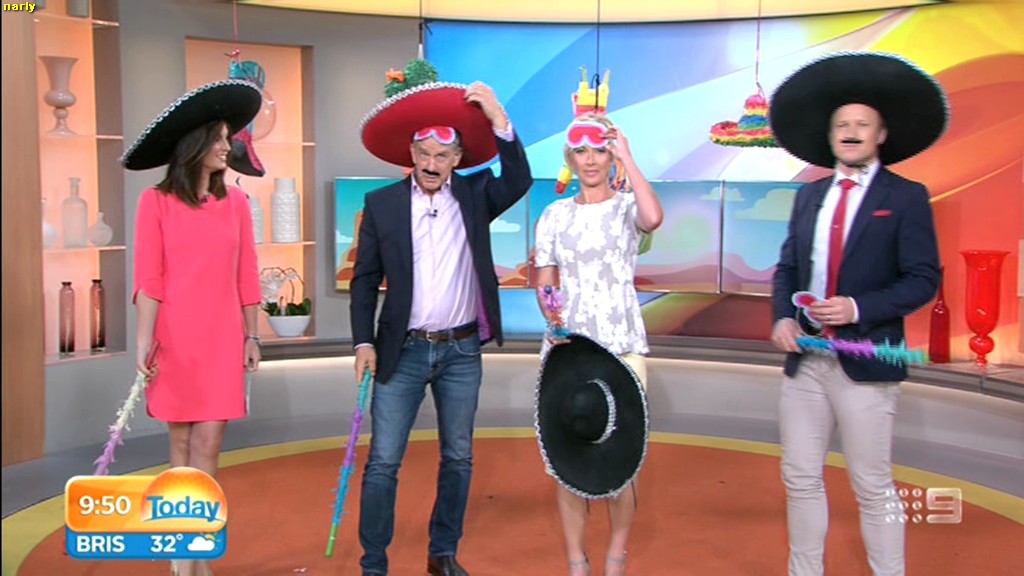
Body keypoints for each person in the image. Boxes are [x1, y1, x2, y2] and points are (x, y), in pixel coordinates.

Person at [350, 62, 533, 576]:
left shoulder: (475, 197)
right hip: (401, 350)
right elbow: (364, 280)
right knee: (384, 461)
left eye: (442, 155)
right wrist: (363, 342)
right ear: (411, 154)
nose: (432, 164)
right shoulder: (381, 205)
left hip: (461, 352)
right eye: (424, 153)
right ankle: (374, 564)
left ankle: (442, 553)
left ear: (457, 159)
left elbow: (519, 178)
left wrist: (499, 118)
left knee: (458, 457)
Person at [768, 52, 947, 576]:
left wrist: (856, 307)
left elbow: (923, 280)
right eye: (841, 125)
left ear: (881, 135)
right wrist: (782, 318)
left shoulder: (906, 197)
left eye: (861, 125)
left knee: (872, 484)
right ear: (830, 137)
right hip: (806, 362)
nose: (850, 132)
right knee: (800, 477)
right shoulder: (809, 197)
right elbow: (787, 269)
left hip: (866, 360)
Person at [121, 80, 265, 576]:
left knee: (208, 447)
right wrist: (144, 343)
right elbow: (150, 280)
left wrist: (252, 335)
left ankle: (193, 548)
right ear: (195, 144)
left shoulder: (237, 203)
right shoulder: (155, 202)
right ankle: (185, 558)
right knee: (179, 447)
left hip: (222, 339)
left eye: (228, 138)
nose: (228, 147)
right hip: (174, 340)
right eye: (220, 138)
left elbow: (247, 273)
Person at [532, 112, 664, 576]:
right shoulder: (554, 215)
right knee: (566, 463)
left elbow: (654, 217)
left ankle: (615, 557)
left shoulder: (627, 208)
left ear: (611, 157)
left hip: (621, 347)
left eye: (600, 151)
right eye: (581, 151)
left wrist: (629, 155)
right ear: (570, 158)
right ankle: (577, 561)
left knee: (620, 463)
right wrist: (550, 311)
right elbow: (546, 277)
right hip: (568, 352)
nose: (590, 160)